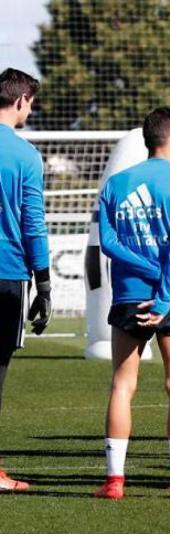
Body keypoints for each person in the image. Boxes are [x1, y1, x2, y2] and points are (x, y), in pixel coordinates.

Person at [94, 107, 170, 500]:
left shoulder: (116, 184)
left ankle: (114, 481)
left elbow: (109, 245)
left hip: (128, 296)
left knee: (122, 385)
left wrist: (143, 265)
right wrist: (163, 297)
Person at [0, 68, 50, 493]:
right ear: (19, 101)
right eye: (31, 102)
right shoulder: (25, 155)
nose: (30, 110)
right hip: (7, 273)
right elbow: (33, 223)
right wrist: (45, 283)